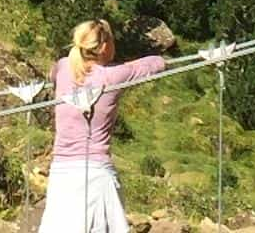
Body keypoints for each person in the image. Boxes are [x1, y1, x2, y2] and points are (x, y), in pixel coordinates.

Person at [39, 19, 166, 233]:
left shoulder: (62, 68)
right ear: (105, 46)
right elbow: (155, 64)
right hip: (97, 177)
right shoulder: (114, 76)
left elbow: (53, 73)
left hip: (61, 176)